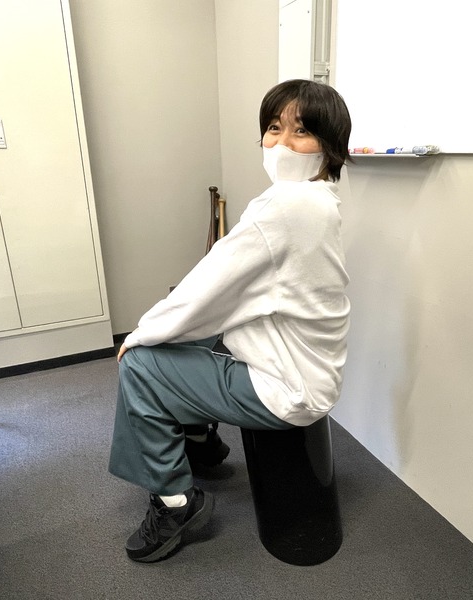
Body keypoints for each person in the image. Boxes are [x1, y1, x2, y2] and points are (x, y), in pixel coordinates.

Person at [108, 79, 352, 563]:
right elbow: (227, 291)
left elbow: (204, 289)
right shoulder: (321, 200)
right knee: (193, 335)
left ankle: (175, 503)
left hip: (288, 388)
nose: (282, 143)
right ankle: (200, 443)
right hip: (311, 370)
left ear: (330, 146)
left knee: (140, 364)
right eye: (274, 128)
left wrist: (139, 334)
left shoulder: (283, 206)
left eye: (301, 131)